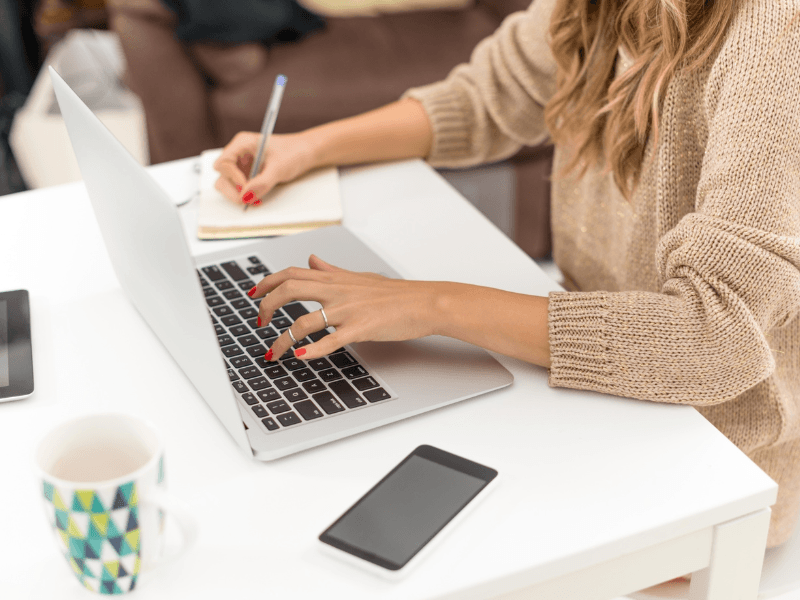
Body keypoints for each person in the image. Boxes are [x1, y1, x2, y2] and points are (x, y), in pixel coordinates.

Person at [214, 0, 800, 550]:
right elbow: (488, 96)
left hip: (716, 453)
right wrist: (311, 147)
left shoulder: (775, 33)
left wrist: (432, 305)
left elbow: (717, 337)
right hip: (593, 383)